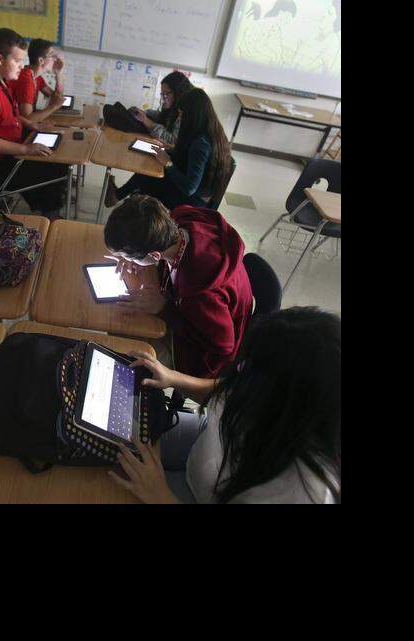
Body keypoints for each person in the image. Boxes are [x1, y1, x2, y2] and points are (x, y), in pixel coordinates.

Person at [109, 307, 341, 504]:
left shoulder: (305, 493)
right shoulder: (268, 390)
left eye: (250, 374)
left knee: (107, 488)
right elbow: (225, 391)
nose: (239, 372)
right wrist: (173, 377)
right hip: (202, 449)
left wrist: (161, 496)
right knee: (110, 437)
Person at [104, 194, 253, 378]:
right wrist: (137, 258)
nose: (125, 261)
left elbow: (223, 346)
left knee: (120, 340)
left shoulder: (200, 291)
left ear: (154, 256)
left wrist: (164, 308)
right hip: (203, 316)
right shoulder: (181, 221)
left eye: (127, 256)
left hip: (206, 358)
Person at [0, 28, 69, 218]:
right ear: (0, 59)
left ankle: (44, 204)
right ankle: (51, 219)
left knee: (57, 161)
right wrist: (24, 150)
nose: (21, 66)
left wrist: (29, 124)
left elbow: (9, 114)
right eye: (17, 61)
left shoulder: (0, 79)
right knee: (51, 172)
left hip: (9, 148)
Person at [105, 88, 233, 210]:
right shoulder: (212, 131)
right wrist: (169, 149)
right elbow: (190, 158)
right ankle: (118, 195)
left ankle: (124, 201)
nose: (179, 119)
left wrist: (168, 162)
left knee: (148, 176)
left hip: (192, 201)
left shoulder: (201, 144)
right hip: (196, 192)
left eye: (182, 115)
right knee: (152, 167)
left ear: (192, 116)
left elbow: (190, 188)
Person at [8, 38, 66, 128]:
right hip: (16, 129)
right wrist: (53, 107)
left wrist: (58, 73)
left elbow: (56, 97)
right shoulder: (26, 80)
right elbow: (28, 119)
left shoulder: (35, 76)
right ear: (41, 60)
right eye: (52, 56)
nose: (55, 59)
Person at [128, 70, 192, 146]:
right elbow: (163, 116)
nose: (163, 98)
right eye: (162, 94)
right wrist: (144, 113)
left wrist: (149, 123)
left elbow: (172, 141)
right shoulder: (174, 107)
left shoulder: (185, 112)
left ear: (178, 92)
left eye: (167, 93)